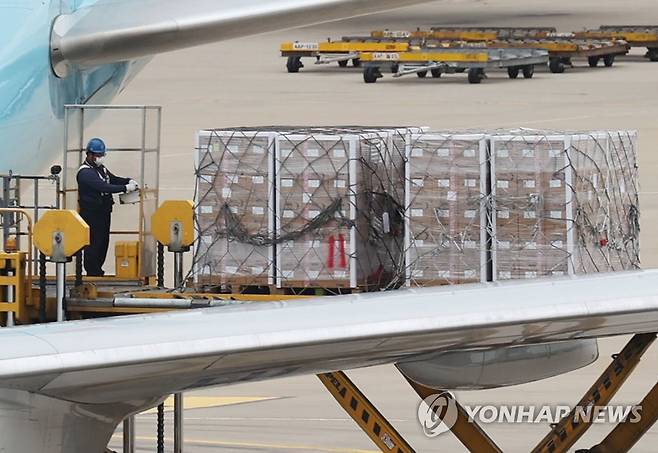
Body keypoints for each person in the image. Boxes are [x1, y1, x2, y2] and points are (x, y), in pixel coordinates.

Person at [77, 138, 138, 276]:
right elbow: (103, 186)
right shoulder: (85, 173)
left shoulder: (101, 169)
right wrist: (124, 188)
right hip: (91, 213)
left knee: (103, 241)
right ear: (89, 155)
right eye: (97, 155)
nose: (99, 158)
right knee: (93, 242)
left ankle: (98, 269)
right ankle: (92, 271)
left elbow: (112, 179)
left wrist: (128, 181)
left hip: (103, 212)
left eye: (101, 155)